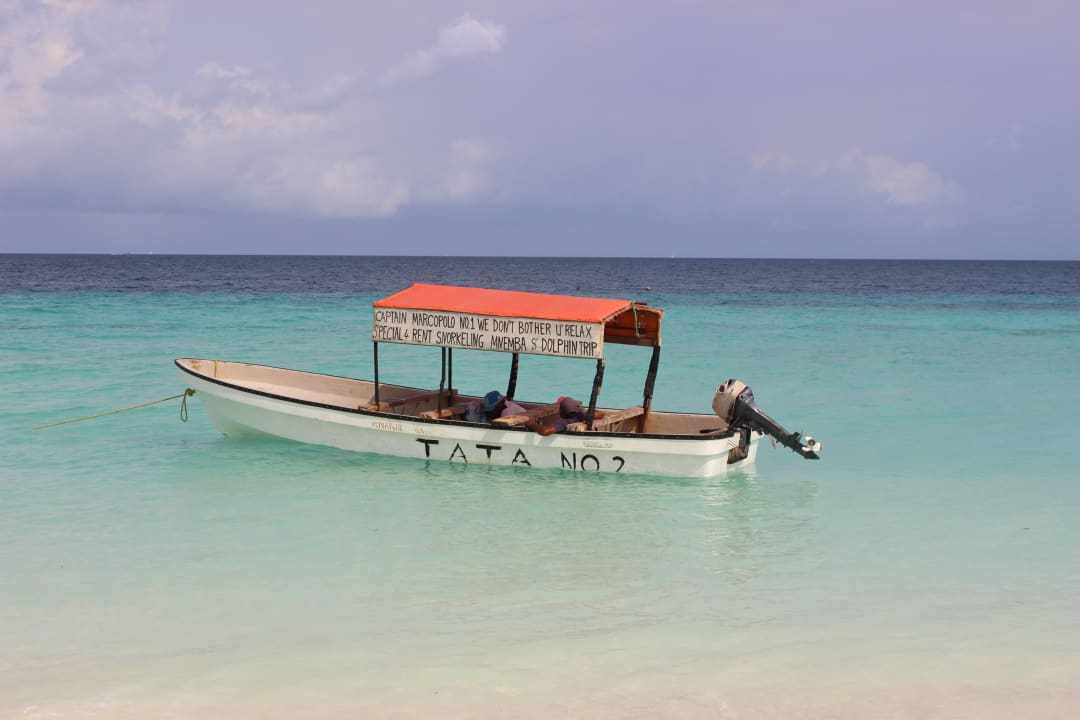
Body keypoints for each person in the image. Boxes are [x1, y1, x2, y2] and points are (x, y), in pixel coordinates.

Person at [533, 396, 603, 436]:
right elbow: (600, 414)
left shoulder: (563, 423)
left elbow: (545, 431)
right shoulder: (580, 416)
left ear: (561, 411)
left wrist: (532, 424)